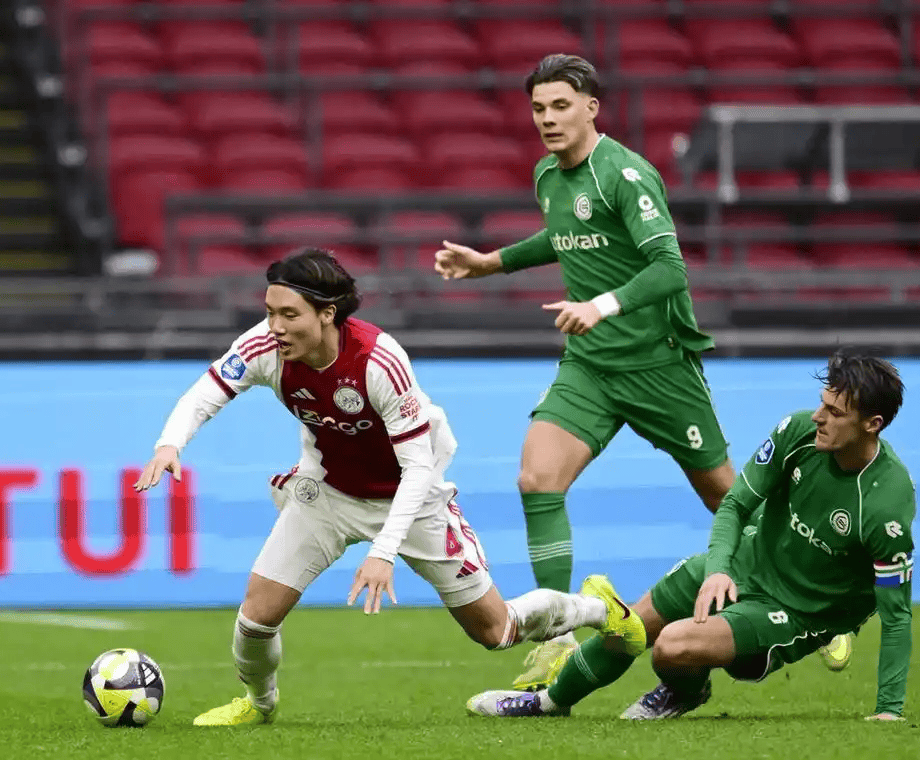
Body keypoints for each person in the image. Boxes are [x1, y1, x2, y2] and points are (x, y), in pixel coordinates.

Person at [133, 248, 646, 726]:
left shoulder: (379, 361)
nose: (275, 327)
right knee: (255, 618)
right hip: (327, 494)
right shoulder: (265, 348)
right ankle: (258, 704)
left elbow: (418, 469)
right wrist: (168, 444)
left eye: (289, 314)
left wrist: (383, 551)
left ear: (328, 314)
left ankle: (597, 607)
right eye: (270, 312)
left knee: (497, 631)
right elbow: (205, 393)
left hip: (411, 500)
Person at [432, 52, 755, 690]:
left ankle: (805, 591)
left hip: (658, 366)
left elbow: (670, 269)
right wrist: (489, 262)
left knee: (726, 497)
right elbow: (564, 236)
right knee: (537, 478)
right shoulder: (547, 176)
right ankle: (555, 635)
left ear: (591, 108)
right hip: (591, 367)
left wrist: (600, 306)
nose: (547, 119)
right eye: (538, 108)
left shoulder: (625, 175)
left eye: (560, 106)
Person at [466, 350, 914, 721]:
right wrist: (719, 570)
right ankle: (548, 703)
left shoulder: (885, 505)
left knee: (672, 648)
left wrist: (889, 711)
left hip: (795, 611)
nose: (818, 416)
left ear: (872, 424)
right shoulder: (798, 432)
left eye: (834, 412)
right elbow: (735, 505)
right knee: (632, 625)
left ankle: (685, 691)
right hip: (745, 563)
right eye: (821, 403)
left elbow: (896, 616)